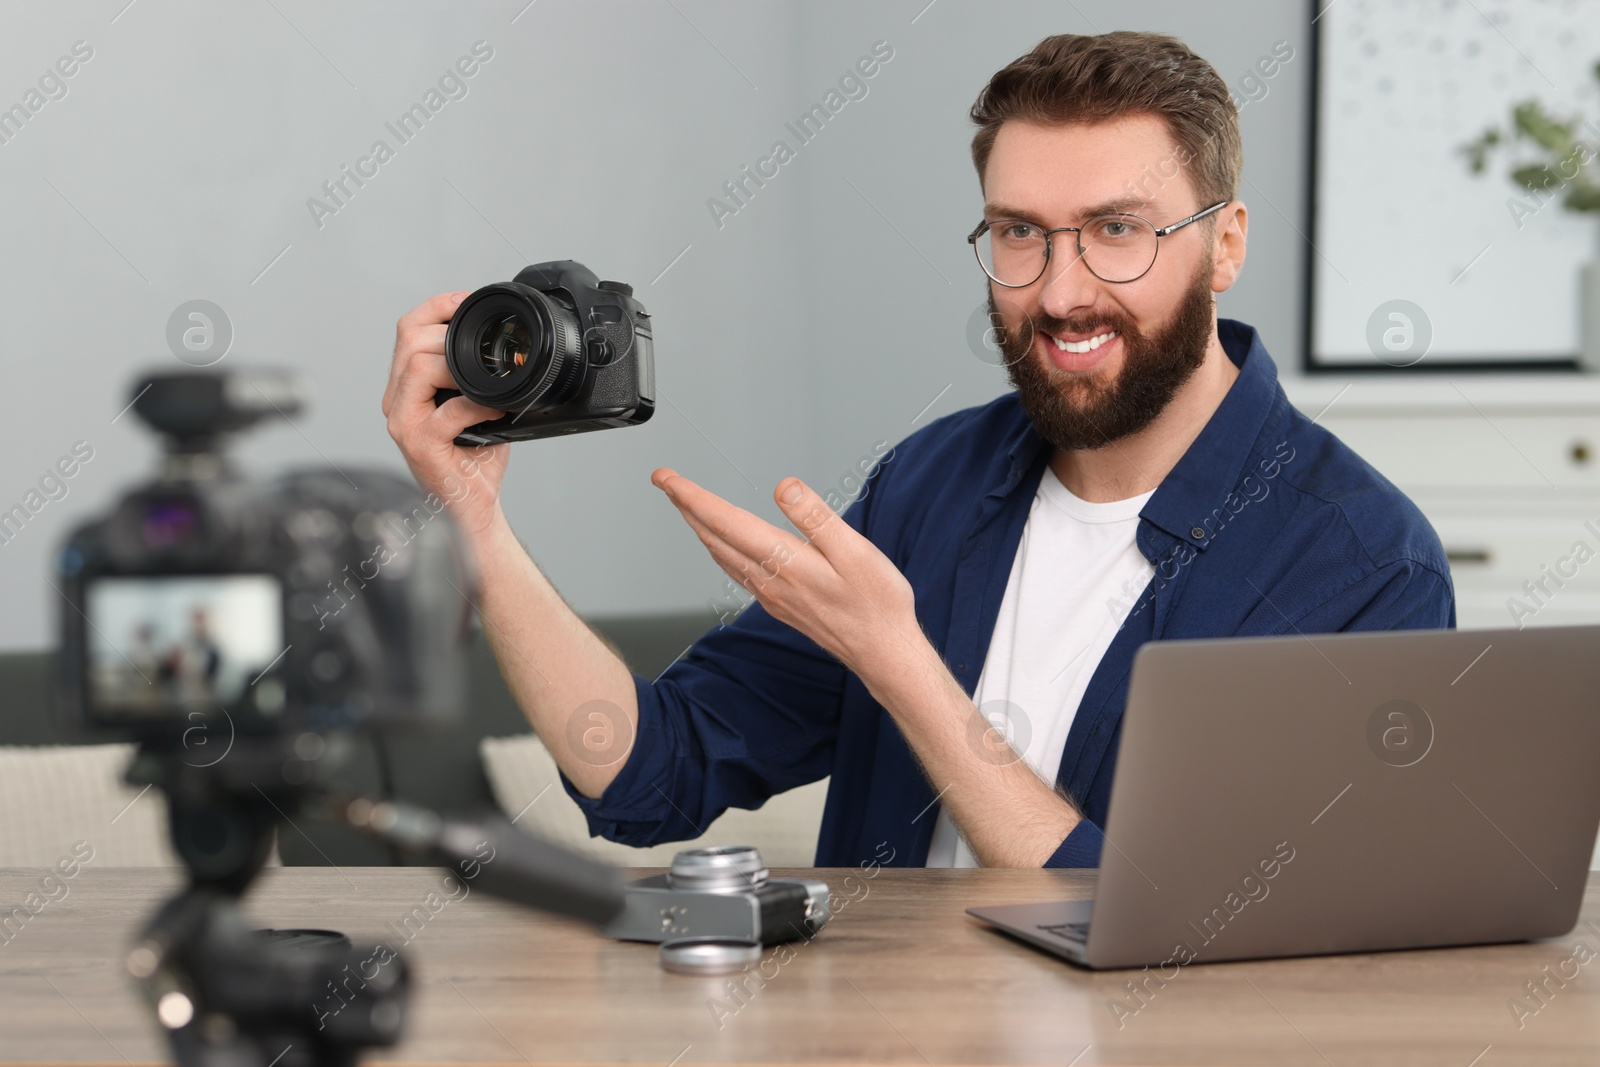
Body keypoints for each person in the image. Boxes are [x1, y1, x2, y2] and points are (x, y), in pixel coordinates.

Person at [382, 31, 1453, 869]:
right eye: (1020, 232)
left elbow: (1188, 939)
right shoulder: (933, 482)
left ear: (1225, 244)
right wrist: (472, 515)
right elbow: (642, 773)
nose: (1061, 289)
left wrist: (896, 660)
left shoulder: (1361, 562)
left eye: (1118, 230)